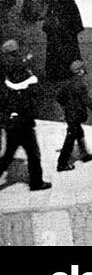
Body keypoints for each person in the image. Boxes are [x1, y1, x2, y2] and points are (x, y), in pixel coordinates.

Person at [0, 53, 53, 190]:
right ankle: (36, 182)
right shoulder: (28, 87)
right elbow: (39, 94)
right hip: (25, 126)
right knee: (34, 154)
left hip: (11, 126)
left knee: (8, 156)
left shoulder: (7, 86)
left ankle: (36, 181)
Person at [55, 60, 92, 172]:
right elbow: (86, 100)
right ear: (79, 71)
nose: (84, 71)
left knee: (79, 133)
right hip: (76, 115)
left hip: (70, 114)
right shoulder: (80, 84)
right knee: (70, 139)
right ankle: (62, 163)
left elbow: (59, 97)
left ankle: (84, 155)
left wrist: (66, 107)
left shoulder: (67, 83)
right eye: (83, 69)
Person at [42, 0, 84, 84]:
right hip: (68, 35)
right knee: (69, 54)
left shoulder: (54, 2)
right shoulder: (68, 1)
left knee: (55, 55)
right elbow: (76, 19)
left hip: (57, 35)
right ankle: (68, 72)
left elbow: (49, 21)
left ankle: (55, 74)